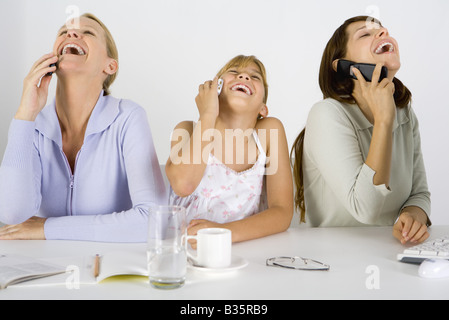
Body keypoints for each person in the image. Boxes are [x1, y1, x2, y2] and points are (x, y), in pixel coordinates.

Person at [0, 13, 166, 242]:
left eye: (87, 32)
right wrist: (25, 115)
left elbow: (153, 220)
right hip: (47, 268)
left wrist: (46, 228)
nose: (72, 33)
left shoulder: (127, 117)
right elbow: (13, 214)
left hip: (109, 268)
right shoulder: (34, 126)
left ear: (110, 66)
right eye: (63, 32)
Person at [291, 16, 431, 244]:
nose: (383, 32)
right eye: (365, 34)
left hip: (386, 250)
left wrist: (412, 216)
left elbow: (420, 194)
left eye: (384, 30)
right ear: (342, 65)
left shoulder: (405, 114)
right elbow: (365, 208)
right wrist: (384, 121)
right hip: (332, 259)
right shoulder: (326, 114)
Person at [166, 55, 293, 245]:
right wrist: (208, 114)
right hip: (185, 251)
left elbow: (282, 212)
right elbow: (184, 185)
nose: (243, 76)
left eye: (255, 77)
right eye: (234, 72)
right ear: (214, 91)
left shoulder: (269, 132)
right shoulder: (187, 130)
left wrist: (222, 234)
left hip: (244, 251)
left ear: (263, 109)